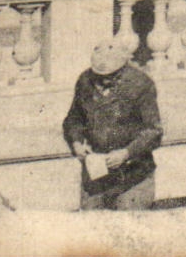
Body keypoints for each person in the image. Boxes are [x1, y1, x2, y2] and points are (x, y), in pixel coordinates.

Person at [62, 38, 163, 210]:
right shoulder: (85, 81)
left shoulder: (141, 84)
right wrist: (76, 143)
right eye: (99, 77)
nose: (104, 81)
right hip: (96, 175)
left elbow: (153, 131)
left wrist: (126, 153)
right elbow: (73, 119)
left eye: (111, 76)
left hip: (133, 176)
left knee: (128, 230)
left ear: (123, 68)